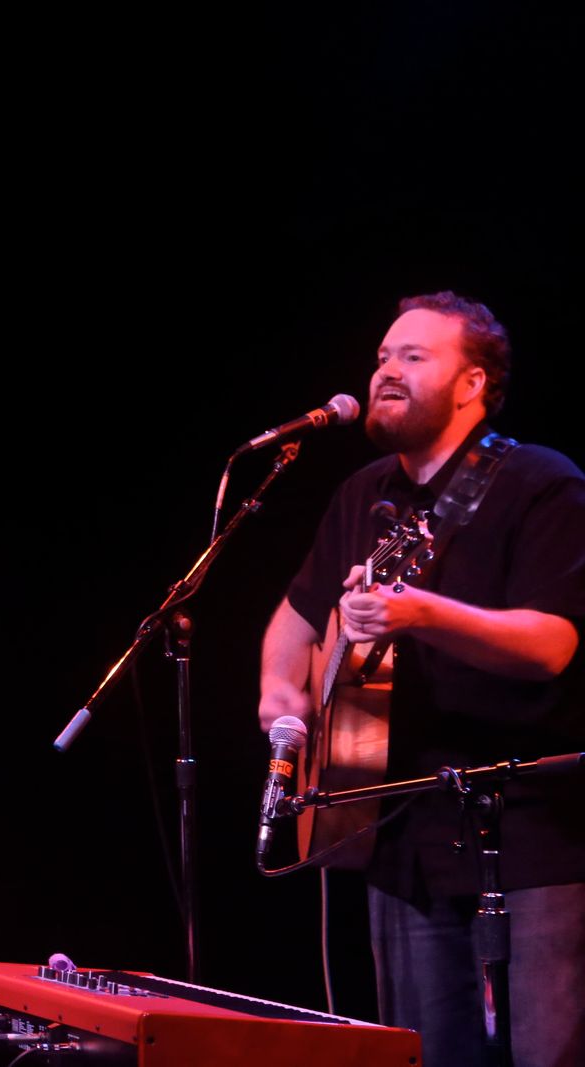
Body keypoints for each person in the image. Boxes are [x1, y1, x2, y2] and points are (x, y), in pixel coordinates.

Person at [258, 293, 585, 1067]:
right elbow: (294, 622)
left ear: (472, 384)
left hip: (532, 836)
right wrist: (282, 701)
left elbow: (553, 644)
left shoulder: (542, 482)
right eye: (382, 357)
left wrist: (422, 613)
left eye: (413, 356)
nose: (386, 372)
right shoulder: (364, 494)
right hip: (398, 835)